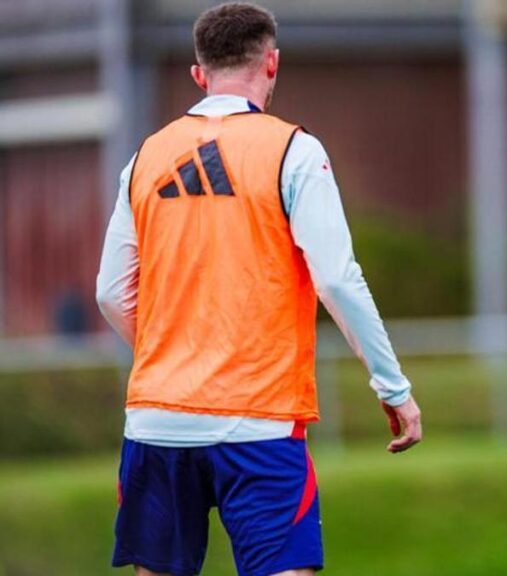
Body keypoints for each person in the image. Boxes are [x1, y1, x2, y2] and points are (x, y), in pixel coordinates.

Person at [96, 3, 422, 575]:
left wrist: (171, 351)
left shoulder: (144, 157)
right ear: (271, 63)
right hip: (258, 422)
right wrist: (392, 385)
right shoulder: (294, 151)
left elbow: (110, 292)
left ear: (199, 74)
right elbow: (338, 280)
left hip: (156, 421)